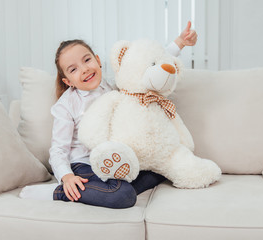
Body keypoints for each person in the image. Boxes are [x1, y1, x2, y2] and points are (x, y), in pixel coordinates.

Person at [20, 21, 198, 208]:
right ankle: (60, 192)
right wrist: (67, 177)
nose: (85, 69)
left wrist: (180, 43)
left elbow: (145, 66)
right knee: (123, 196)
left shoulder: (113, 86)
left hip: (116, 159)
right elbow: (58, 150)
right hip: (84, 165)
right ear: (68, 81)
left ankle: (104, 189)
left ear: (97, 60)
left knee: (158, 170)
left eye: (87, 60)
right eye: (73, 69)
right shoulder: (67, 105)